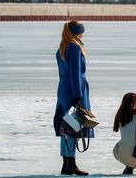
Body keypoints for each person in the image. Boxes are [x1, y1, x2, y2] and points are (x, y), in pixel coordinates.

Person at [53, 21, 93, 176]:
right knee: (73, 128)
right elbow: (75, 74)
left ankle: (67, 164)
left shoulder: (62, 47)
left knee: (66, 127)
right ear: (76, 32)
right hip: (74, 89)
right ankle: (71, 165)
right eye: (81, 32)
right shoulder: (75, 48)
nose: (82, 35)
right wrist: (78, 95)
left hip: (63, 89)